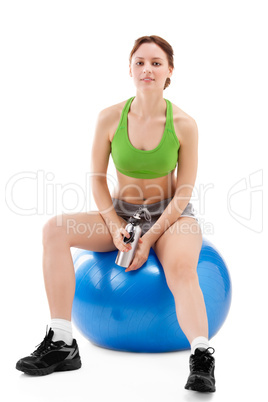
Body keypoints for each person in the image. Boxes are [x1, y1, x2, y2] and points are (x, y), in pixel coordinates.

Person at [16, 35, 216, 392]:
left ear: (170, 70)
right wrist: (113, 225)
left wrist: (150, 238)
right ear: (129, 69)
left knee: (183, 267)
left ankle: (201, 357)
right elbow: (96, 178)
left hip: (172, 217)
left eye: (156, 62)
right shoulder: (109, 117)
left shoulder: (184, 124)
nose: (147, 69)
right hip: (122, 213)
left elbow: (184, 190)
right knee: (54, 230)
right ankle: (62, 342)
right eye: (139, 62)